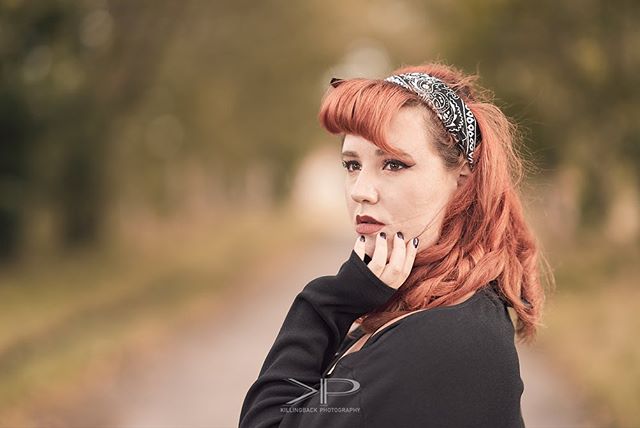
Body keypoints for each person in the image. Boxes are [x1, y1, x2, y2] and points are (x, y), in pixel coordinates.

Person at [238, 61, 551, 428]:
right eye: (352, 165)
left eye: (394, 165)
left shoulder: (439, 341)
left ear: (462, 178)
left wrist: (329, 300)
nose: (361, 192)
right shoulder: (443, 304)